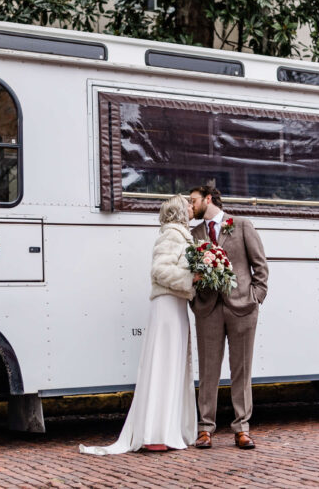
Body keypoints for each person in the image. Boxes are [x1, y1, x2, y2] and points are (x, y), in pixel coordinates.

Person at [79, 194, 198, 455]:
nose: (192, 207)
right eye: (188, 204)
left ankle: (169, 427)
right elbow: (159, 270)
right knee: (163, 364)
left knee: (174, 364)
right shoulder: (171, 235)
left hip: (175, 304)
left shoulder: (181, 235)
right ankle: (155, 432)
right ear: (178, 211)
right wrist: (192, 277)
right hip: (167, 305)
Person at [189, 185, 269, 450]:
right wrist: (194, 299)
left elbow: (260, 265)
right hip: (207, 309)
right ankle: (205, 429)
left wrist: (256, 296)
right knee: (208, 371)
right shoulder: (194, 233)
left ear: (208, 199)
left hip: (243, 308)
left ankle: (242, 428)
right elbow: (187, 270)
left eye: (194, 201)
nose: (191, 206)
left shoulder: (242, 225)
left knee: (241, 370)